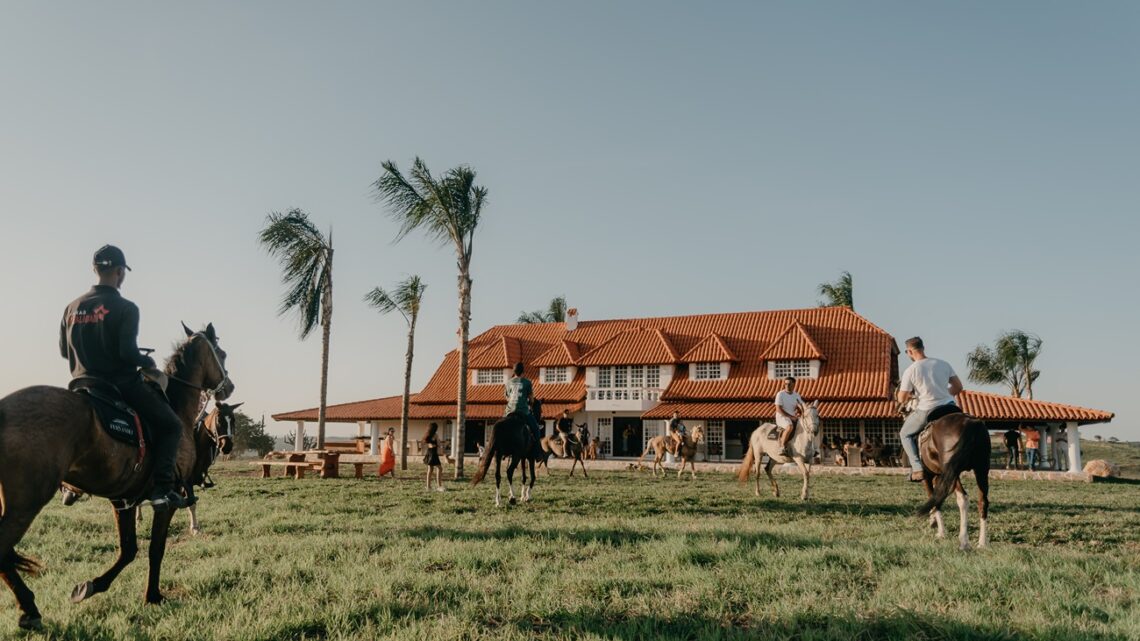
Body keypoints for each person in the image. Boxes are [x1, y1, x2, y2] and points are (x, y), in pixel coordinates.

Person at [60, 245, 186, 511]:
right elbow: (127, 353)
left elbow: (63, 351)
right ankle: (163, 490)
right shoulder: (126, 307)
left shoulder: (71, 307)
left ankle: (72, 485)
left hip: (81, 383)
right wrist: (145, 360)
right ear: (119, 272)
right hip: (119, 385)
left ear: (95, 269)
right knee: (172, 426)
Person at [896, 336, 964, 482]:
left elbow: (901, 398)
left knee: (905, 434)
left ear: (909, 352)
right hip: (950, 406)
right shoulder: (943, 364)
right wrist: (945, 394)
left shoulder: (911, 370)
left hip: (927, 408)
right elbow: (958, 386)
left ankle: (917, 469)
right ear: (923, 348)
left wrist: (910, 396)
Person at [505, 362, 542, 444]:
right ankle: (538, 448)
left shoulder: (508, 382)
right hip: (523, 410)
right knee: (536, 428)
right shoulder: (527, 382)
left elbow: (507, 398)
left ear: (514, 372)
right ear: (523, 372)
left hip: (509, 411)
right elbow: (531, 399)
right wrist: (530, 403)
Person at [775, 376, 804, 457]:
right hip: (781, 416)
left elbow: (801, 406)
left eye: (789, 384)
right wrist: (791, 417)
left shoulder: (796, 395)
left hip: (793, 416)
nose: (787, 385)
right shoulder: (780, 394)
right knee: (789, 426)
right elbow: (778, 409)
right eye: (785, 384)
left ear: (794, 384)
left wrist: (800, 412)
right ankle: (782, 447)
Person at [423, 422, 444, 491]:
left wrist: (434, 445)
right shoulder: (435, 435)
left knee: (430, 470)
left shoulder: (427, 434)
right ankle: (439, 486)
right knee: (439, 468)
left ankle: (428, 487)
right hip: (433, 454)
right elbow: (438, 443)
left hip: (429, 453)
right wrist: (440, 446)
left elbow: (426, 443)